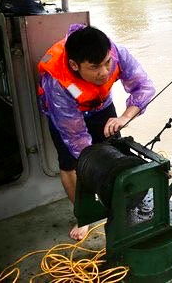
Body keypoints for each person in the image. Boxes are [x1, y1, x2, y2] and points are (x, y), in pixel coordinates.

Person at [38, 23, 155, 240]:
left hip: (100, 105)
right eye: (94, 68)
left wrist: (124, 117)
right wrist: (96, 167)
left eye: (107, 63)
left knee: (116, 154)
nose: (104, 72)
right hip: (65, 114)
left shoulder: (116, 52)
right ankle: (84, 216)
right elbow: (77, 139)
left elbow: (144, 87)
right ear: (74, 65)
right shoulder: (57, 83)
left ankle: (120, 203)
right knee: (72, 165)